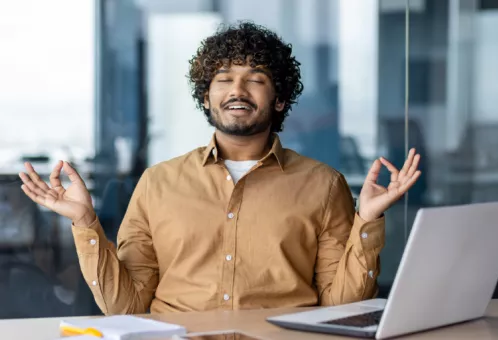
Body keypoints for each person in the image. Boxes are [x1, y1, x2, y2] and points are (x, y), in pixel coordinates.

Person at [19, 22, 421, 314]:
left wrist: (367, 219)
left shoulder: (322, 184)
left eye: (255, 79)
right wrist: (85, 221)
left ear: (279, 99)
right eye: (224, 79)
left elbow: (340, 307)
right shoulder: (158, 183)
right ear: (207, 98)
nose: (237, 91)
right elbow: (126, 307)